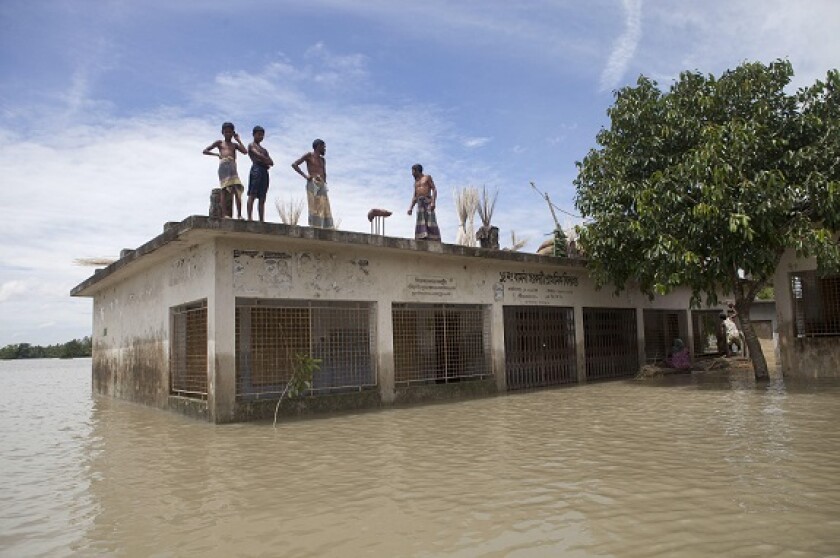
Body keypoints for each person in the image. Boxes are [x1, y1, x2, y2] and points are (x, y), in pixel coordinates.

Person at [203, 122, 247, 219]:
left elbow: (245, 152)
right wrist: (217, 155)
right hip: (224, 166)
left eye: (230, 132)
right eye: (226, 132)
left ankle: (239, 215)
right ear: (222, 132)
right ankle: (224, 215)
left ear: (233, 133)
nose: (228, 134)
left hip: (232, 166)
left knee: (237, 189)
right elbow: (205, 151)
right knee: (224, 190)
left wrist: (239, 140)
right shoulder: (219, 143)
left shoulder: (234, 145)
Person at [291, 139, 334, 228]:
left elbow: (324, 172)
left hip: (321, 184)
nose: (325, 149)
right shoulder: (309, 155)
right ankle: (315, 225)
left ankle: (325, 226)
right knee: (314, 205)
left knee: (324, 205)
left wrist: (324, 183)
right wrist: (305, 176)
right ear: (318, 146)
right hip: (313, 183)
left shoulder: (322, 160)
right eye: (323, 147)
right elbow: (295, 164)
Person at [246, 126, 274, 222]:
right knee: (252, 194)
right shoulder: (251, 145)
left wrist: (264, 160)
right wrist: (264, 160)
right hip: (256, 170)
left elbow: (271, 162)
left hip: (264, 172)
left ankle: (261, 219)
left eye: (262, 135)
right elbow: (257, 155)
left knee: (262, 196)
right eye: (259, 134)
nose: (261, 137)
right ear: (254, 134)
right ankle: (249, 217)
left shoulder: (264, 150)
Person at [406, 164, 441, 241]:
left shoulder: (427, 178)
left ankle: (433, 238)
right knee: (421, 220)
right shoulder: (416, 183)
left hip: (428, 201)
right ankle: (422, 237)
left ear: (417, 171)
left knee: (430, 220)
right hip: (420, 202)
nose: (412, 173)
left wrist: (433, 202)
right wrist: (410, 208)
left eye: (413, 171)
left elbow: (434, 189)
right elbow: (415, 196)